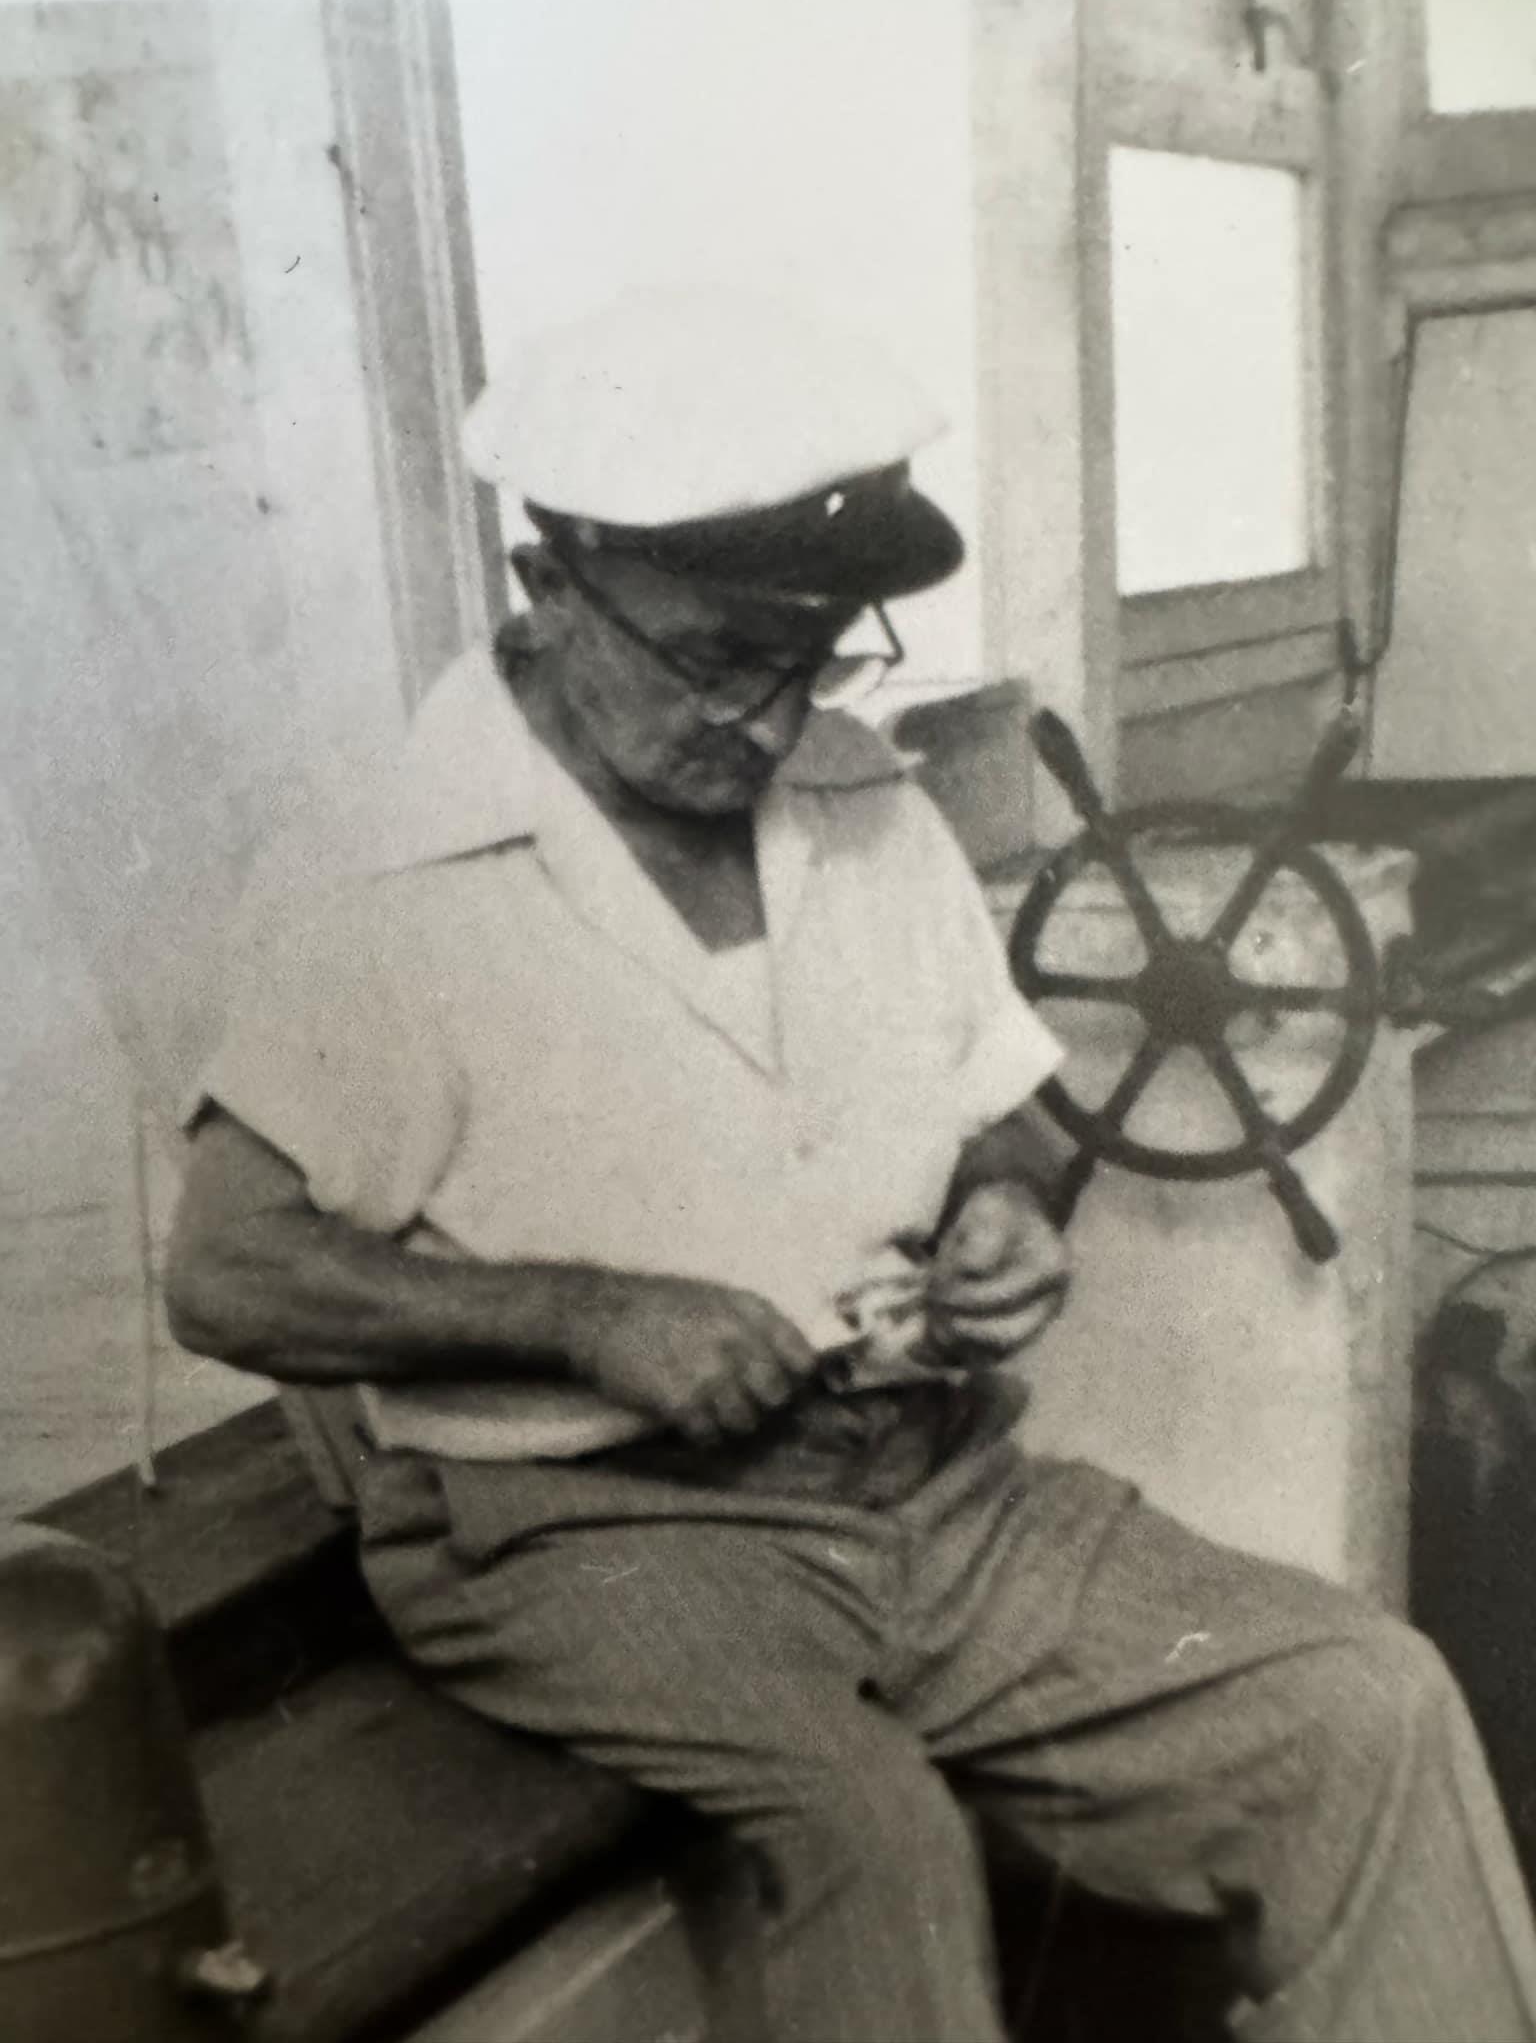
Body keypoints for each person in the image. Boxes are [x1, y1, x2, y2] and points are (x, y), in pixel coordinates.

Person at [166, 287, 1536, 2043]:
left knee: (1367, 1703)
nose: (765, 714)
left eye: (813, 652)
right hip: (590, 1535)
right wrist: (582, 1316)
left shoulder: (862, 806)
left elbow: (1011, 1117)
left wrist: (1004, 1215)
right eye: (716, 656)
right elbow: (227, 1270)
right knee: (868, 1832)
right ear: (550, 587)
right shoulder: (380, 882)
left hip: (930, 1489)